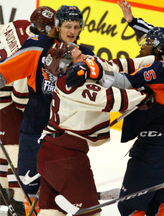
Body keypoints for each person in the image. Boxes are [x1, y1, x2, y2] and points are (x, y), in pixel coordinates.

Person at [65, 26, 164, 216]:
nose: (142, 47)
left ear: (159, 48)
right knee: (157, 208)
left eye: (147, 43)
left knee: (130, 208)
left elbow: (125, 81)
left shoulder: (161, 67)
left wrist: (91, 71)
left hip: (156, 151)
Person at [36, 41, 155, 216]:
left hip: (51, 155)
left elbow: (117, 65)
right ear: (68, 67)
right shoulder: (71, 84)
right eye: (79, 57)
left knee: (51, 213)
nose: (85, 57)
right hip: (66, 160)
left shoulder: (86, 66)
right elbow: (111, 100)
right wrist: (144, 95)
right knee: (90, 214)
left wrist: (154, 60)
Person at [0, 5, 97, 215]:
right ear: (57, 26)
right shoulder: (38, 46)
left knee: (53, 202)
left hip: (66, 141)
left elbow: (106, 89)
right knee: (30, 193)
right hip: (35, 130)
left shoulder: (87, 56)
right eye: (67, 26)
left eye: (76, 26)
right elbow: (6, 69)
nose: (72, 31)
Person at [0, 6, 56, 216]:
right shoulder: (36, 46)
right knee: (16, 149)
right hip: (7, 101)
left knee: (8, 149)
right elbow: (20, 95)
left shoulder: (19, 26)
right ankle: (18, 203)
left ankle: (6, 191)